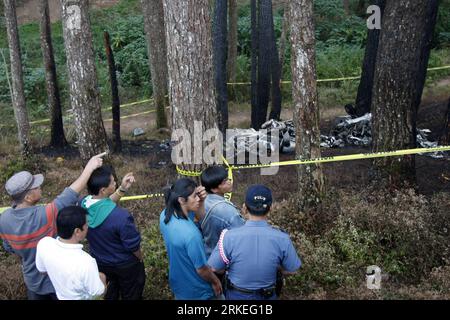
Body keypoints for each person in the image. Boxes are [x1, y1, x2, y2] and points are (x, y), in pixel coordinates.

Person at [0, 152, 106, 300]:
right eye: (36, 187)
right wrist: (89, 167)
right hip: (58, 285)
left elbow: (9, 248)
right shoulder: (45, 215)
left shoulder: (3, 219)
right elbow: (71, 193)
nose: (40, 187)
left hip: (33, 284)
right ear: (28, 197)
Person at [208, 184, 302, 300]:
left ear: (244, 208)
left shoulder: (228, 236)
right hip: (268, 296)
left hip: (236, 295)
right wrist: (276, 267)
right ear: (271, 208)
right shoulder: (282, 238)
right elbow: (292, 269)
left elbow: (214, 268)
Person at [81, 165, 145, 300]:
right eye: (112, 182)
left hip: (101, 263)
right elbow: (133, 246)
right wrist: (140, 258)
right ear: (103, 190)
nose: (115, 182)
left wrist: (122, 189)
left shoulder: (84, 205)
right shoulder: (121, 216)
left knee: (110, 294)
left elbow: (103, 206)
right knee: (131, 294)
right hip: (126, 265)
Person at [159, 178, 222, 300]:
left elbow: (200, 216)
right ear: (181, 200)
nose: (198, 198)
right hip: (199, 291)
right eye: (195, 196)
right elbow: (202, 269)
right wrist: (215, 282)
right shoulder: (191, 235)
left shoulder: (165, 215)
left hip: (180, 284)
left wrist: (202, 201)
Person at [35, 206, 106, 300]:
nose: (88, 227)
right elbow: (98, 293)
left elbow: (42, 270)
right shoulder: (86, 262)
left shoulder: (44, 243)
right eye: (87, 224)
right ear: (77, 231)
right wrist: (102, 278)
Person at [200, 165, 245, 258]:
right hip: (223, 259)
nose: (230, 182)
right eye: (225, 182)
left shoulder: (201, 202)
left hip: (207, 253)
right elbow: (242, 237)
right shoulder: (229, 212)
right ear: (214, 189)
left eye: (228, 178)